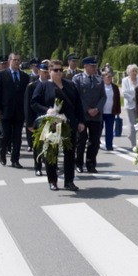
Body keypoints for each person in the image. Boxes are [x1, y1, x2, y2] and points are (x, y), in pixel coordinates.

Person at [32, 60, 84, 191]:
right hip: (52, 124)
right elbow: (34, 103)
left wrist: (81, 121)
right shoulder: (43, 86)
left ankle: (69, 181)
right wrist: (46, 110)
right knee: (51, 152)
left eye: (61, 70)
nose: (59, 72)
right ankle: (53, 180)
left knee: (70, 153)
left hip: (69, 123)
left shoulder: (70, 85)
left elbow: (78, 105)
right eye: (56, 70)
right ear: (49, 72)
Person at [0, 52, 28, 168]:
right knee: (5, 135)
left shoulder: (24, 76)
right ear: (9, 61)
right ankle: (3, 153)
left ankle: (15, 160)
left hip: (19, 112)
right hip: (5, 111)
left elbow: (26, 96)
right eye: (14, 60)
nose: (16, 62)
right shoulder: (2, 75)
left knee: (17, 137)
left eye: (18, 60)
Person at [73, 56, 105, 173]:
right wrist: (87, 109)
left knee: (95, 141)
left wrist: (97, 108)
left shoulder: (99, 80)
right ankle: (79, 163)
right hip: (82, 115)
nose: (94, 68)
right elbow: (77, 97)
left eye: (95, 66)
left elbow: (103, 96)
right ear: (85, 66)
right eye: (92, 66)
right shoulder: (77, 79)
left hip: (96, 116)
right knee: (81, 140)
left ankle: (91, 163)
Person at [25, 61, 49, 174]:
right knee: (37, 145)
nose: (46, 74)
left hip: (49, 120)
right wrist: (29, 123)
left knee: (50, 144)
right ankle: (38, 167)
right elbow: (28, 106)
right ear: (39, 72)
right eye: (44, 72)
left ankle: (50, 164)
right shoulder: (32, 86)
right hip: (36, 120)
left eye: (47, 72)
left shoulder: (51, 85)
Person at [121, 64, 138, 147]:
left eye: (135, 71)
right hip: (130, 105)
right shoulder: (125, 80)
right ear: (129, 72)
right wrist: (133, 98)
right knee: (132, 124)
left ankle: (137, 139)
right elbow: (124, 92)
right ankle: (134, 144)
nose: (134, 73)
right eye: (132, 71)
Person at [101, 68, 121, 151]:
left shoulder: (115, 87)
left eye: (110, 77)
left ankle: (109, 145)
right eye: (107, 76)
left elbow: (117, 100)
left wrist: (118, 111)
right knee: (99, 129)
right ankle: (96, 143)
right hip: (101, 112)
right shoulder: (100, 86)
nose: (109, 78)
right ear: (103, 78)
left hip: (111, 112)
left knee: (109, 130)